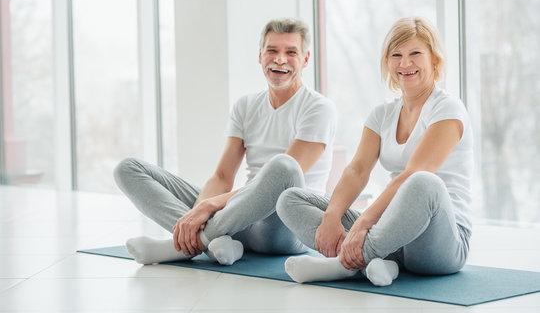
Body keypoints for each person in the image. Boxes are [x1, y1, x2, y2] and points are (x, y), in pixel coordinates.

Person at [114, 18, 336, 266]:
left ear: (305, 59)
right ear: (260, 55)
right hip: (240, 219)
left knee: (283, 167)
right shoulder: (246, 105)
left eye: (291, 52)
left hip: (286, 227)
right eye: (272, 50)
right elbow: (222, 176)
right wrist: (196, 213)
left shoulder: (319, 108)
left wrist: (210, 206)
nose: (280, 59)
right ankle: (206, 241)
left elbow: (288, 176)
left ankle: (181, 246)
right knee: (128, 168)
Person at [276, 16, 473, 287]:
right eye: (396, 55)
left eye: (415, 54)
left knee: (422, 182)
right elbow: (357, 170)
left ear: (434, 60)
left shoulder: (448, 108)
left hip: (441, 244)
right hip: (393, 234)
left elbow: (415, 173)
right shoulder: (382, 114)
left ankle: (343, 265)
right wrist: (333, 216)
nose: (405, 63)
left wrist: (363, 223)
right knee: (290, 199)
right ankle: (380, 263)